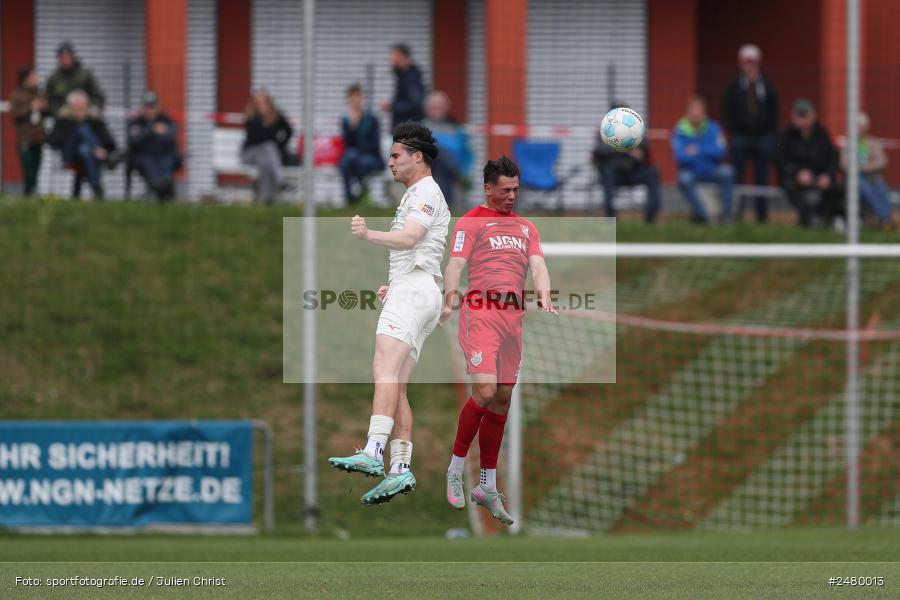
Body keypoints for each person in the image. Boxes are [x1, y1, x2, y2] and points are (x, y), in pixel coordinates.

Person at [328, 123, 450, 506]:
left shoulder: (426, 192)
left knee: (382, 368)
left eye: (396, 155)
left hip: (415, 291)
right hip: (415, 289)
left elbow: (411, 238)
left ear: (418, 157)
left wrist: (369, 235)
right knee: (395, 383)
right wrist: (395, 284)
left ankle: (372, 451)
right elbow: (419, 250)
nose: (390, 162)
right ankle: (400, 469)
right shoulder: (416, 194)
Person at [441, 156, 557, 526]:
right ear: (488, 188)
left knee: (503, 398)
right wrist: (448, 296)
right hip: (481, 314)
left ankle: (486, 486)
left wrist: (544, 294)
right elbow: (456, 264)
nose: (512, 196)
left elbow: (538, 265)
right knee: (486, 392)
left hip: (513, 319)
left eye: (516, 190)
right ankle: (456, 468)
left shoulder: (526, 228)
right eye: (505, 190)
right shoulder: (471, 221)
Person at [722, 44, 779, 223]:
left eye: (753, 62)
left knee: (762, 176)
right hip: (740, 137)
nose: (750, 66)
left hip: (762, 137)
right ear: (740, 63)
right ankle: (737, 212)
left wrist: (771, 134)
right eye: (746, 62)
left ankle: (762, 215)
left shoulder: (767, 86)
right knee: (737, 175)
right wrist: (732, 132)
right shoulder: (734, 87)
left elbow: (774, 111)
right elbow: (727, 111)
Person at [776, 99, 842, 227]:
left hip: (819, 176)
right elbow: (780, 160)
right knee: (790, 185)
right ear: (792, 116)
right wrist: (797, 173)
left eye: (805, 115)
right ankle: (807, 217)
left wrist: (827, 175)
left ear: (813, 116)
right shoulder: (785, 135)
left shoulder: (822, 133)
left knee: (837, 188)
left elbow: (833, 157)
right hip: (795, 177)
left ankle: (818, 215)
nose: (802, 119)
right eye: (798, 115)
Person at [672, 96, 736, 224]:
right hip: (691, 171)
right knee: (683, 178)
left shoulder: (714, 128)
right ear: (687, 113)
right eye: (693, 110)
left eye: (699, 110)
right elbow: (680, 157)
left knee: (728, 172)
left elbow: (721, 152)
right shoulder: (679, 130)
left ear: (704, 112)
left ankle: (727, 216)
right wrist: (707, 151)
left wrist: (698, 150)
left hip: (711, 170)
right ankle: (701, 216)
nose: (696, 113)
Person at [593, 104, 661, 222]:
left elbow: (645, 149)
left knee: (653, 172)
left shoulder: (635, 130)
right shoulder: (605, 131)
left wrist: (641, 153)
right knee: (606, 172)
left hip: (633, 171)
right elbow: (600, 151)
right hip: (613, 174)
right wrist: (625, 148)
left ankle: (651, 216)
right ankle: (611, 217)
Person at [47, 90, 117, 200]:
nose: (80, 111)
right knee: (82, 129)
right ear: (70, 108)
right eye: (76, 108)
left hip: (87, 155)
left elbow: (110, 142)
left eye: (83, 107)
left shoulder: (95, 120)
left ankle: (92, 189)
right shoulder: (63, 120)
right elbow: (52, 141)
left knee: (84, 150)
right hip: (71, 155)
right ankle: (97, 187)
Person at [840, 113, 894, 228]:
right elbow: (844, 164)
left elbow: (882, 161)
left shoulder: (872, 143)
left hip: (872, 177)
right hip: (855, 179)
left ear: (865, 127)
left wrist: (866, 168)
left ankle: (886, 219)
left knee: (881, 188)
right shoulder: (848, 143)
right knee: (865, 188)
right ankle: (886, 218)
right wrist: (857, 169)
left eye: (860, 126)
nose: (858, 129)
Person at [127, 91, 181, 201]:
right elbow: (134, 141)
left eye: (152, 107)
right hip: (144, 156)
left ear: (158, 107)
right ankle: (159, 188)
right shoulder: (137, 122)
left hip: (164, 154)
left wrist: (162, 133)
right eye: (147, 107)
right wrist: (152, 130)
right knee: (148, 163)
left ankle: (164, 187)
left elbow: (172, 137)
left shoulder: (166, 120)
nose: (149, 110)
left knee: (167, 161)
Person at [423, 90, 473, 210]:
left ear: (446, 108)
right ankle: (446, 209)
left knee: (443, 168)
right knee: (438, 154)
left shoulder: (456, 128)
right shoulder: (421, 127)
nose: (436, 110)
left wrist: (465, 170)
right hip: (428, 166)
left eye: (439, 107)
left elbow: (467, 153)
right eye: (433, 107)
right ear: (426, 109)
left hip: (452, 166)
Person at [242, 90, 294, 204]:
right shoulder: (251, 119)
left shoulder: (277, 116)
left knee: (265, 161)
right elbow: (257, 138)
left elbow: (289, 131)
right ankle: (281, 182)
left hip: (267, 157)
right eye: (259, 103)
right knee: (268, 147)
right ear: (254, 104)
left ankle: (266, 200)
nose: (262, 105)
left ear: (269, 103)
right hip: (250, 154)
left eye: (264, 102)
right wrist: (266, 124)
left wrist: (280, 145)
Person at [338, 83, 384, 205]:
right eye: (352, 98)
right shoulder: (346, 121)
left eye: (357, 97)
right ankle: (350, 198)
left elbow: (374, 145)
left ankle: (359, 194)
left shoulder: (371, 120)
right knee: (345, 162)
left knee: (354, 159)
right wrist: (353, 127)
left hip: (371, 157)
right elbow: (347, 144)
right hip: (353, 157)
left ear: (361, 98)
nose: (355, 101)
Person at [9, 67, 49, 196]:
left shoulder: (39, 94)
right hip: (25, 139)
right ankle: (28, 196)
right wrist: (30, 107)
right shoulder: (16, 95)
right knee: (29, 171)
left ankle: (32, 197)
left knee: (36, 170)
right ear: (26, 79)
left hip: (38, 138)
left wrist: (44, 106)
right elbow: (15, 114)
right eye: (34, 76)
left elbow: (48, 112)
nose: (36, 79)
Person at [45, 41, 105, 117]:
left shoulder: (86, 75)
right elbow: (49, 100)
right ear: (59, 59)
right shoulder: (53, 78)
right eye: (62, 57)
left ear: (73, 57)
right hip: (63, 119)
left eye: (68, 56)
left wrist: (91, 109)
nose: (65, 59)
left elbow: (98, 96)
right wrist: (57, 111)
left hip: (86, 117)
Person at [380, 43, 425, 129]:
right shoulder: (404, 76)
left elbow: (415, 104)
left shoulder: (411, 78)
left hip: (408, 132)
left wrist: (391, 105)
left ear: (404, 58)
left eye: (394, 57)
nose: (391, 61)